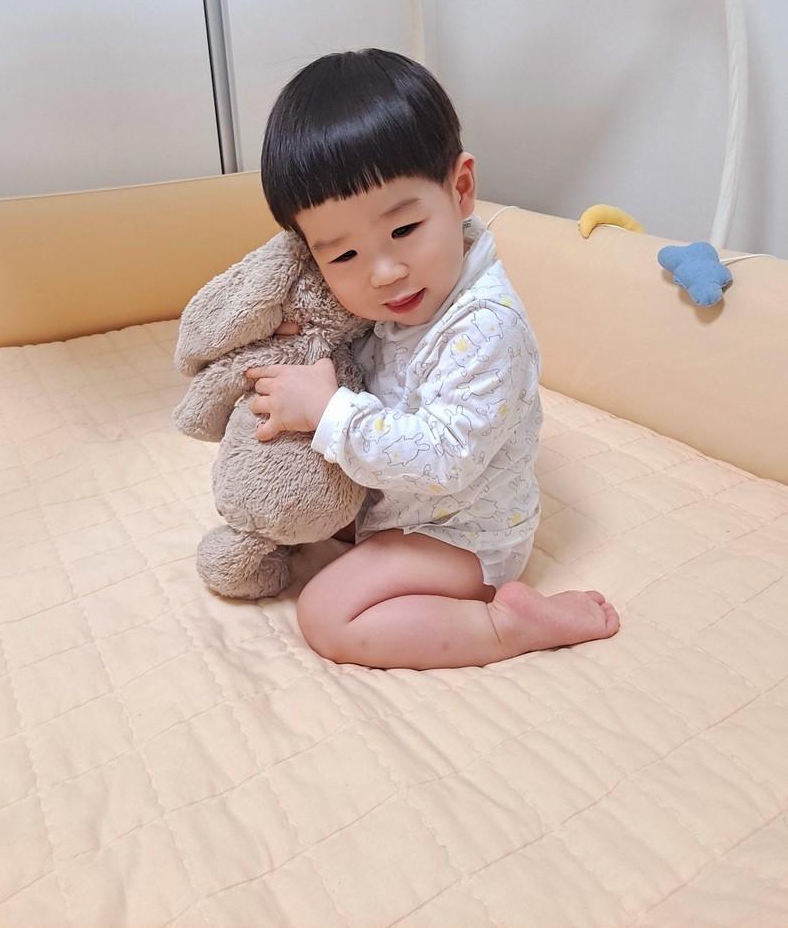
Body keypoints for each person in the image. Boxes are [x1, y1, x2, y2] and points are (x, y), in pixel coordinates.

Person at [246, 48, 619, 669]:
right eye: (343, 256)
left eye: (403, 231)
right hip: (397, 502)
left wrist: (328, 411)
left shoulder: (487, 325)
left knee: (327, 614)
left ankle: (505, 625)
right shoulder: (393, 297)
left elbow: (446, 458)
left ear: (460, 190)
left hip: (464, 532)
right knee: (291, 507)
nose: (383, 272)